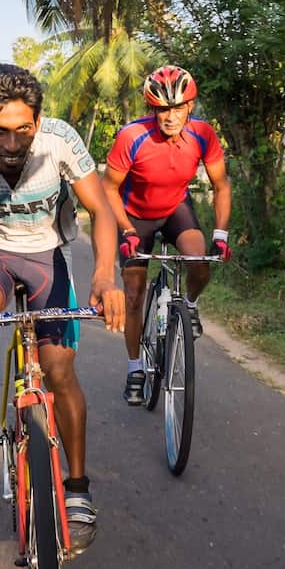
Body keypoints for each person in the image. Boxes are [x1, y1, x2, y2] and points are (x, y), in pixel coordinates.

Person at [0, 63, 125, 552]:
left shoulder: (60, 139)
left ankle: (76, 491)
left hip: (48, 256)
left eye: (23, 130)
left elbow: (101, 210)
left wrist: (104, 277)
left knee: (59, 372)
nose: (12, 144)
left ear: (37, 122)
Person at [102, 65, 232, 406]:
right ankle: (134, 369)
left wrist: (221, 234)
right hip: (135, 215)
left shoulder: (204, 134)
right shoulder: (132, 137)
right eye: (162, 109)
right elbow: (109, 188)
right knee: (133, 294)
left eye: (177, 108)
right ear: (152, 109)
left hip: (176, 206)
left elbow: (220, 185)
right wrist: (126, 230)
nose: (170, 116)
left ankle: (189, 305)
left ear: (190, 106)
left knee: (200, 259)